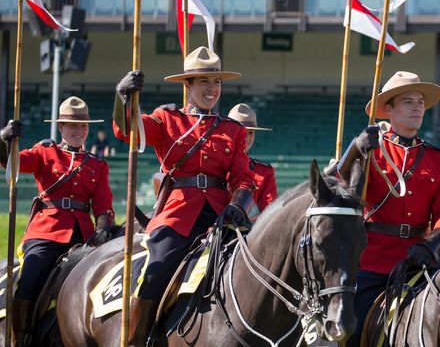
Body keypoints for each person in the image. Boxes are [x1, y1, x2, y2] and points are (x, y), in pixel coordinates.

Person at [113, 47, 254, 345]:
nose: (212, 89)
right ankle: (139, 338)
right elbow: (130, 132)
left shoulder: (233, 130)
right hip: (177, 213)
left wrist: (237, 206)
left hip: (221, 215)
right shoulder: (167, 119)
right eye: (204, 81)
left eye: (216, 82)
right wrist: (125, 98)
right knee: (156, 269)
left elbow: (242, 178)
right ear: (187, 85)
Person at [336, 71, 440, 347]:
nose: (417, 107)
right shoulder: (371, 150)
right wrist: (355, 149)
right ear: (388, 109)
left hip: (420, 261)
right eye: (408, 101)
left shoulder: (439, 159)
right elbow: (340, 188)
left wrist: (430, 246)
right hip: (373, 259)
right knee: (352, 331)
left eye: (420, 102)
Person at [0, 96, 114, 345]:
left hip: (83, 235)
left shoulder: (97, 165)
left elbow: (103, 203)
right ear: (60, 127)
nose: (79, 131)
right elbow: (13, 164)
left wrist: (103, 226)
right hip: (47, 231)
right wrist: (4, 140)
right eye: (72, 126)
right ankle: (20, 336)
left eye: (83, 126)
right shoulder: (45, 152)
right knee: (30, 279)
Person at [227, 103, 277, 220]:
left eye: (251, 132)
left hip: (248, 234)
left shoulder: (264, 171)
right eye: (242, 132)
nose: (247, 138)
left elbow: (269, 213)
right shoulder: (214, 164)